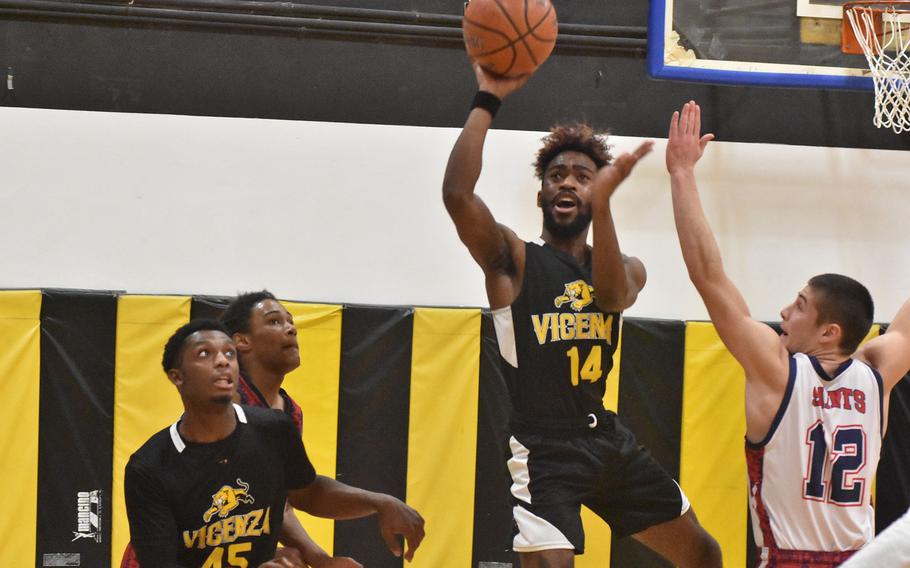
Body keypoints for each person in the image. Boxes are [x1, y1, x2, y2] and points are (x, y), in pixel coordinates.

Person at [441, 63, 722, 568]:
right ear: (541, 194)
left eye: (582, 177)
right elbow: (457, 196)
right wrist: (487, 97)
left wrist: (607, 207)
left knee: (703, 553)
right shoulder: (514, 259)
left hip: (606, 439)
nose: (567, 182)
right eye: (556, 175)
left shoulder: (626, 267)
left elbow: (611, 297)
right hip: (544, 449)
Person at [666, 100, 910, 566]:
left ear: (828, 333)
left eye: (799, 306)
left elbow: (707, 274)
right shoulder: (879, 372)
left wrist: (681, 173)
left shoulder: (777, 370)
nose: (783, 312)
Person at [124, 319, 425, 567]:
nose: (222, 362)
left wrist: (379, 502)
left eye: (229, 354)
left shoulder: (274, 428)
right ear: (177, 377)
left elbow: (308, 492)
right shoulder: (149, 467)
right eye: (204, 354)